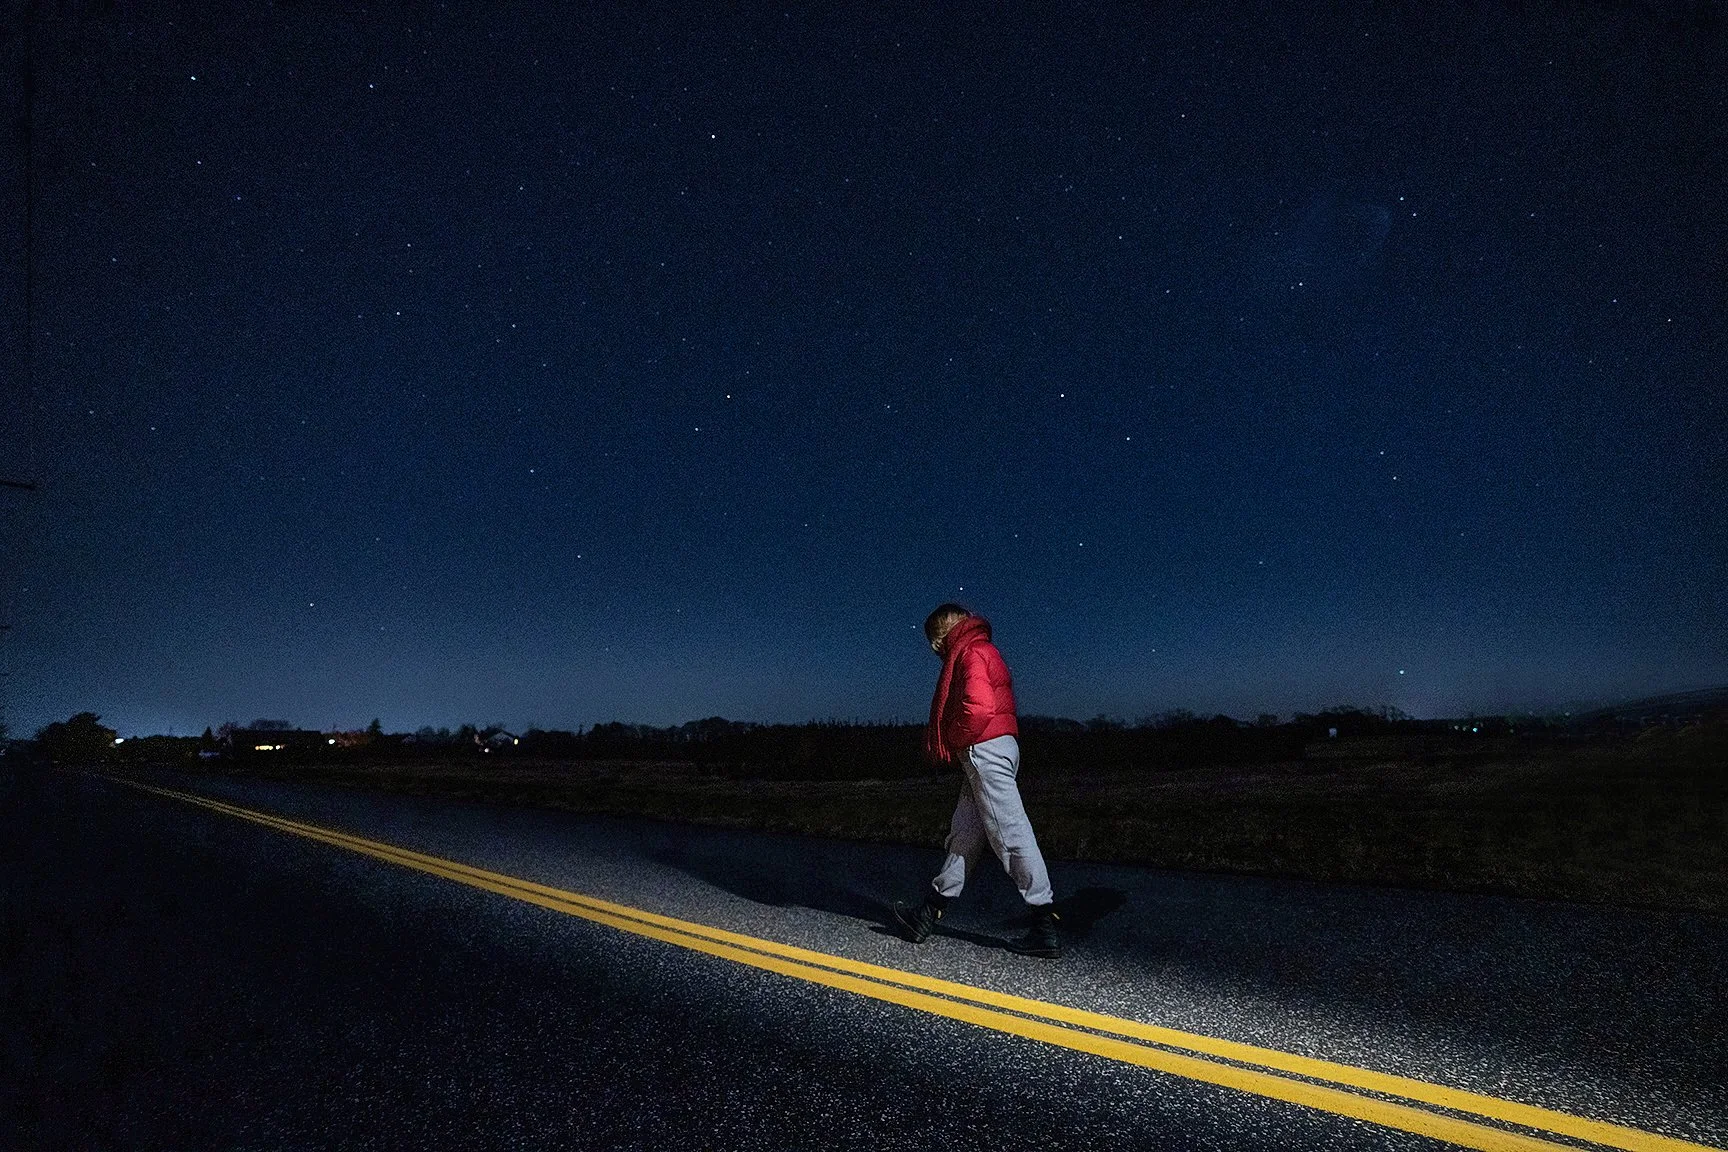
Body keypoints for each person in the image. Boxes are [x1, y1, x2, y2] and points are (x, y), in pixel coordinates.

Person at [894, 603, 1060, 958]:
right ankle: (928, 911)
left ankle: (1044, 923)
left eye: (934, 641)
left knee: (1011, 834)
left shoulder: (969, 651)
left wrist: (954, 738)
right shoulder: (981, 648)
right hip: (995, 746)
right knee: (965, 835)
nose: (934, 651)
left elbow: (980, 708)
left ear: (943, 633)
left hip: (983, 747)